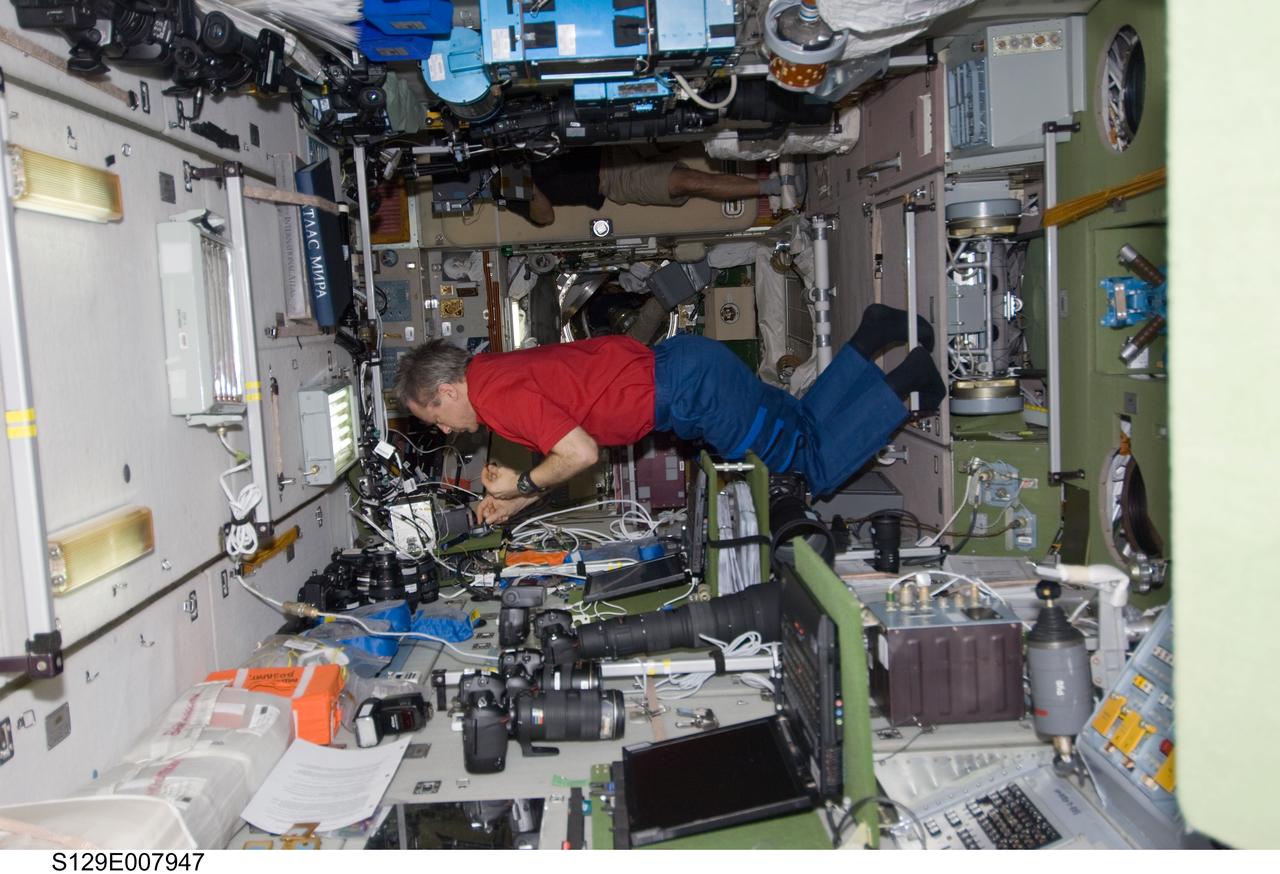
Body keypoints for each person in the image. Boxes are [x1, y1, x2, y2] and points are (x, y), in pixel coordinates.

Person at [394, 305, 944, 524]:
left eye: (435, 416)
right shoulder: (491, 372)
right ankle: (873, 333)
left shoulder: (495, 398)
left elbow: (580, 453)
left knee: (802, 470)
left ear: (446, 390)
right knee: (797, 425)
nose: (442, 430)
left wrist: (520, 485)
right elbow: (570, 444)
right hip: (687, 368)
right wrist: (518, 502)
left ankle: (907, 381)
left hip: (694, 393)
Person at [502, 145, 796, 227]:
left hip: (606, 137)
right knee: (686, 182)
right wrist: (520, 176)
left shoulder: (500, 142)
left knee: (697, 121)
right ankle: (775, 186)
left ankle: (780, 140)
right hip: (613, 177)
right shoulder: (506, 185)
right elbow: (545, 217)